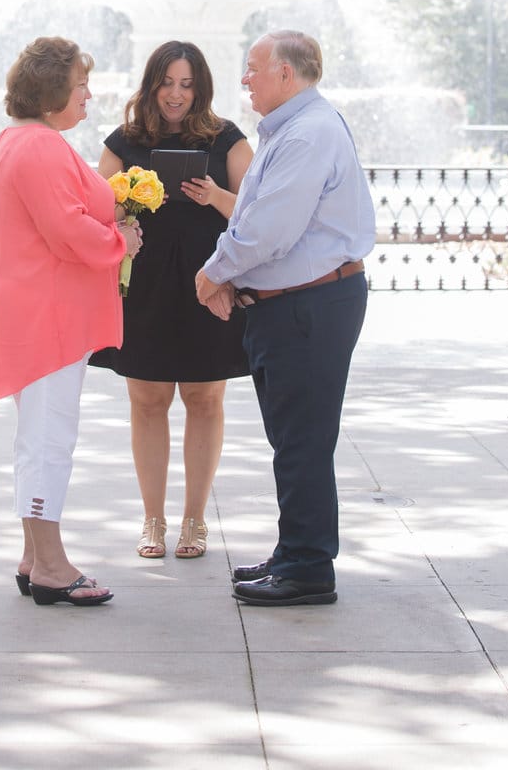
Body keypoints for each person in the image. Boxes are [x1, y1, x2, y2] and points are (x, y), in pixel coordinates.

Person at [195, 29, 374, 607]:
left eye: (252, 68)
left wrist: (215, 272)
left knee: (301, 440)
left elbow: (270, 227)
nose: (243, 78)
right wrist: (234, 276)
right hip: (296, 305)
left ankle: (307, 566)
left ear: (286, 75)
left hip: (310, 305)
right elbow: (260, 216)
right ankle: (296, 550)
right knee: (294, 438)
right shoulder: (293, 129)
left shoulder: (306, 133)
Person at [0, 36, 142, 608]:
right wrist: (119, 241)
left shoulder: (19, 141)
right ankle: (50, 563)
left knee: (38, 438)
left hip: (33, 312)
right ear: (52, 95)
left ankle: (34, 555)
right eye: (79, 86)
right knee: (50, 440)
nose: (88, 96)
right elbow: (67, 230)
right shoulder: (42, 148)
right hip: (47, 317)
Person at [90, 40, 253, 560]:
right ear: (151, 84)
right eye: (166, 83)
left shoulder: (228, 139)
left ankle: (195, 520)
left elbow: (256, 216)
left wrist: (214, 195)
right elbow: (94, 210)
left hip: (209, 285)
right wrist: (123, 206)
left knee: (205, 400)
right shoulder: (124, 141)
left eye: (186, 85)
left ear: (200, 88)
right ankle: (153, 520)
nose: (175, 95)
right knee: (147, 401)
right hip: (145, 288)